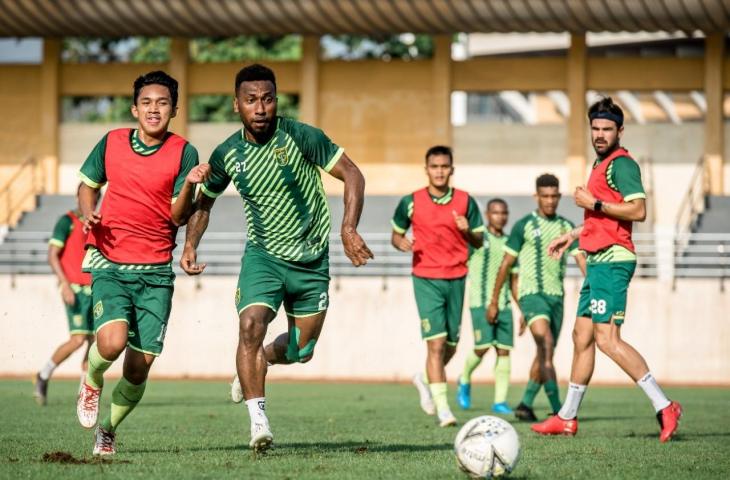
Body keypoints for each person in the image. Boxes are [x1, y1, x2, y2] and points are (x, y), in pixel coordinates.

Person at [181, 64, 372, 452]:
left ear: (276, 100)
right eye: (251, 100)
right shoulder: (228, 154)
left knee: (302, 352)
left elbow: (353, 174)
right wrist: (189, 245)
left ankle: (261, 360)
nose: (261, 107)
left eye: (267, 99)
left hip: (311, 259)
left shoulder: (302, 136)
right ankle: (258, 421)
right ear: (237, 105)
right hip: (263, 257)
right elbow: (205, 204)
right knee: (251, 324)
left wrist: (348, 228)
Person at [531, 97, 682, 442]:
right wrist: (571, 235)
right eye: (595, 128)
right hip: (597, 258)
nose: (600, 134)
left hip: (613, 262)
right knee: (581, 337)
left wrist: (593, 203)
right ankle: (567, 417)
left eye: (607, 129)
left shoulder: (621, 164)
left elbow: (638, 210)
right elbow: (602, 220)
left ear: (619, 131)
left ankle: (665, 405)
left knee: (606, 339)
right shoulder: (599, 165)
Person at [75, 71, 209, 456]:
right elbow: (88, 185)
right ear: (135, 108)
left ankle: (108, 429)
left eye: (162, 103)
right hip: (111, 261)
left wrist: (188, 185)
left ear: (174, 109)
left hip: (155, 271)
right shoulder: (112, 142)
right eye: (147, 102)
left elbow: (179, 216)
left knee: (138, 368)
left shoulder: (185, 152)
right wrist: (87, 213)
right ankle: (92, 378)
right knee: (112, 343)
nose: (154, 109)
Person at [391, 145, 485, 427]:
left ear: (452, 170)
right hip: (426, 277)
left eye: (445, 167)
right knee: (436, 344)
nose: (440, 171)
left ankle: (425, 378)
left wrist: (466, 229)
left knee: (452, 346)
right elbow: (396, 235)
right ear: (427, 170)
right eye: (435, 166)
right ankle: (444, 409)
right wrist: (402, 243)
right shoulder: (411, 201)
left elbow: (480, 241)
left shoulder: (466, 201)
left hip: (457, 277)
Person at [488, 174, 586, 421]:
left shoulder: (566, 227)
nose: (550, 201)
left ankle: (526, 404)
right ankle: (559, 410)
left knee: (545, 354)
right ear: (536, 197)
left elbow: (581, 259)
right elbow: (506, 265)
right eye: (545, 196)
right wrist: (494, 301)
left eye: (554, 196)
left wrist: (596, 284)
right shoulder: (524, 226)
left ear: (559, 196)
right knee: (546, 344)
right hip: (531, 296)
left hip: (557, 299)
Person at [34, 185, 99, 405]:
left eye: (96, 195)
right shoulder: (67, 221)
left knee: (95, 343)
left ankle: (83, 393)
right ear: (79, 197)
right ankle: (43, 374)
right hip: (76, 290)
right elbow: (53, 255)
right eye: (89, 194)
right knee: (78, 339)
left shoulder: (98, 223)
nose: (93, 198)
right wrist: (64, 283)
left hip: (96, 289)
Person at [456, 198, 520, 414]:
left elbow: (514, 282)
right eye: (495, 212)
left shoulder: (511, 242)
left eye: (503, 213)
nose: (500, 217)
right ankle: (464, 379)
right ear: (487, 213)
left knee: (504, 351)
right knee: (482, 347)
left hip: (504, 305)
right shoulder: (477, 238)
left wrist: (524, 311)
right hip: (480, 303)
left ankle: (500, 401)